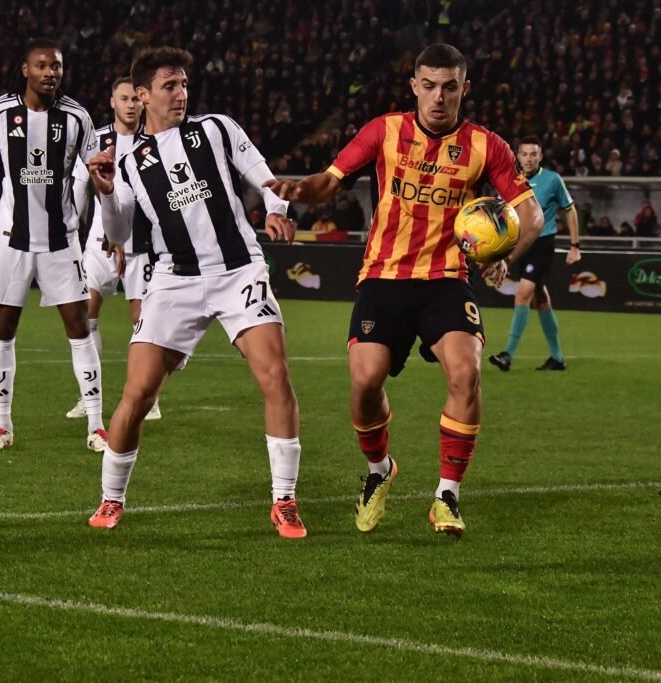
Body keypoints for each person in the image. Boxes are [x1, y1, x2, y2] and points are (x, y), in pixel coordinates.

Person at [266, 43, 543, 538]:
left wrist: (503, 256)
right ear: (414, 86)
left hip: (446, 280)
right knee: (365, 382)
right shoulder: (385, 130)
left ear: (464, 89)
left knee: (466, 374)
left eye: (449, 87)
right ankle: (379, 471)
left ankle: (447, 496)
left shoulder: (486, 146)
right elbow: (329, 181)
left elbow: (532, 214)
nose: (438, 97)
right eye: (429, 86)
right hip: (384, 276)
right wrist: (298, 190)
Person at [86, 46, 307, 538]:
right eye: (169, 86)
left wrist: (277, 210)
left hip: (239, 271)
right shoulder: (128, 161)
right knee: (138, 392)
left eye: (184, 84)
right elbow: (118, 231)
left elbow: (266, 177)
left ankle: (285, 500)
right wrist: (105, 192)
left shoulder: (217, 129)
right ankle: (111, 499)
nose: (181, 93)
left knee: (275, 375)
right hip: (175, 278)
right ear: (143, 95)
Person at [0, 37, 106, 453]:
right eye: (41, 65)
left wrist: (112, 224)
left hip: (61, 240)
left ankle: (97, 426)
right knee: (3, 330)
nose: (50, 73)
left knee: (79, 328)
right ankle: (2, 425)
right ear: (25, 70)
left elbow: (98, 173)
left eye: (56, 66)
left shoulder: (77, 117)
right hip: (11, 240)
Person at [66, 77, 162, 423]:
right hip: (99, 245)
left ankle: (148, 397)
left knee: (142, 322)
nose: (131, 105)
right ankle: (88, 394)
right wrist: (70, 232)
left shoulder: (154, 141)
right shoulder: (95, 141)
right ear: (112, 102)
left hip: (141, 247)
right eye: (124, 99)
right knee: (85, 316)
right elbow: (79, 186)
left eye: (135, 99)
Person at [488, 136, 580, 373]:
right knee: (541, 300)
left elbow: (570, 210)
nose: (528, 159)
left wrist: (575, 245)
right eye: (524, 154)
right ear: (517, 156)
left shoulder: (552, 179)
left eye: (533, 154)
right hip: (521, 245)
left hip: (542, 244)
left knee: (522, 296)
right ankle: (557, 358)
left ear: (540, 156)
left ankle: (507, 354)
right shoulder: (511, 181)